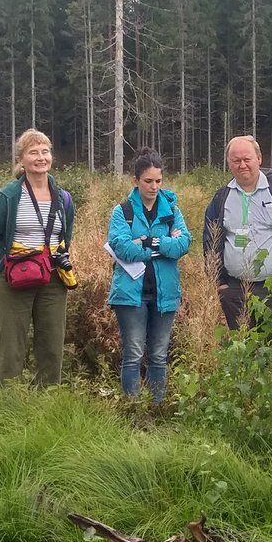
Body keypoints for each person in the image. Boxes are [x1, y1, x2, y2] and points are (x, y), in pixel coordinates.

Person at [0, 129, 77, 387]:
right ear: (21, 160)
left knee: (52, 347)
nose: (40, 157)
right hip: (14, 280)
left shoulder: (63, 198)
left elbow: (65, 237)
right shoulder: (9, 196)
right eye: (33, 152)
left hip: (53, 280)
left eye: (45, 151)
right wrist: (1, 269)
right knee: (11, 349)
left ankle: (45, 404)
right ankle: (8, 405)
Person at [203, 135, 272, 330]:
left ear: (259, 159)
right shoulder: (221, 198)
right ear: (229, 163)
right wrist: (219, 281)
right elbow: (210, 241)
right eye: (236, 161)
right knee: (240, 346)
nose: (242, 165)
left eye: (247, 159)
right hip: (233, 290)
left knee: (269, 349)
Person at [106, 149, 191, 401]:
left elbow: (184, 244)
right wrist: (164, 244)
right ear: (136, 180)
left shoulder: (172, 211)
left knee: (158, 355)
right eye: (148, 181)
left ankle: (155, 408)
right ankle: (132, 410)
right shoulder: (123, 212)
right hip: (130, 295)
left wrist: (149, 242)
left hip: (165, 294)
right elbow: (120, 245)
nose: (154, 187)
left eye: (158, 181)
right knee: (132, 354)